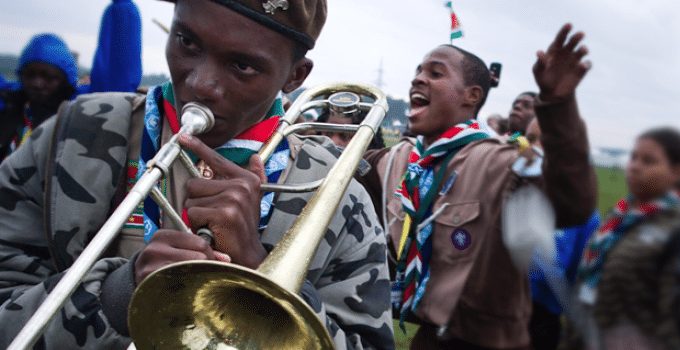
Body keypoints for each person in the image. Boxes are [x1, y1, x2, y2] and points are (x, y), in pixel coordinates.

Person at [0, 0, 393, 349]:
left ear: (295, 76)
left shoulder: (339, 197)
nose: (200, 84)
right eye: (187, 42)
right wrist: (119, 295)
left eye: (242, 65)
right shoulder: (74, 132)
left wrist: (263, 274)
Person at [360, 23, 596, 349]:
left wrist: (558, 104)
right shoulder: (398, 159)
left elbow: (572, 204)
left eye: (436, 73)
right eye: (417, 71)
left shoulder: (499, 162)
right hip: (428, 335)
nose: (418, 78)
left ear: (472, 96)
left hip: (487, 341)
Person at [562, 127, 680, 350]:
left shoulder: (673, 227)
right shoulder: (620, 217)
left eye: (649, 161)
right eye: (634, 157)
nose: (635, 166)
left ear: (676, 171)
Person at [0, 0, 142, 161]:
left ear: (65, 80)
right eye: (30, 74)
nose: (37, 83)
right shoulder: (9, 101)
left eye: (48, 77)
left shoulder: (81, 107)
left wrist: (121, 7)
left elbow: (118, 77)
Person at [524, 118, 600, 350]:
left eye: (545, 141)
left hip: (539, 318)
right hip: (494, 311)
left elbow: (575, 273)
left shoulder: (581, 211)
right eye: (530, 140)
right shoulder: (513, 188)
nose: (534, 147)